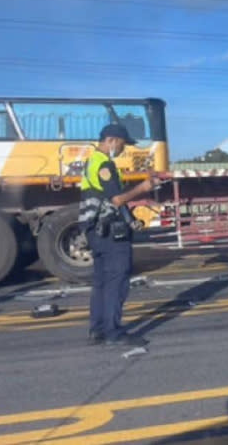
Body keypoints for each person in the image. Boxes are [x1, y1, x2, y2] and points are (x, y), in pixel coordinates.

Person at [80, 124, 156, 346]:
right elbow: (117, 200)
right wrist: (143, 188)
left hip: (96, 229)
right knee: (117, 279)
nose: (124, 149)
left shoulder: (93, 161)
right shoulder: (103, 163)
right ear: (112, 140)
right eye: (123, 144)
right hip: (109, 231)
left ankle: (98, 329)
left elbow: (109, 196)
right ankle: (113, 332)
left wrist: (131, 220)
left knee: (102, 281)